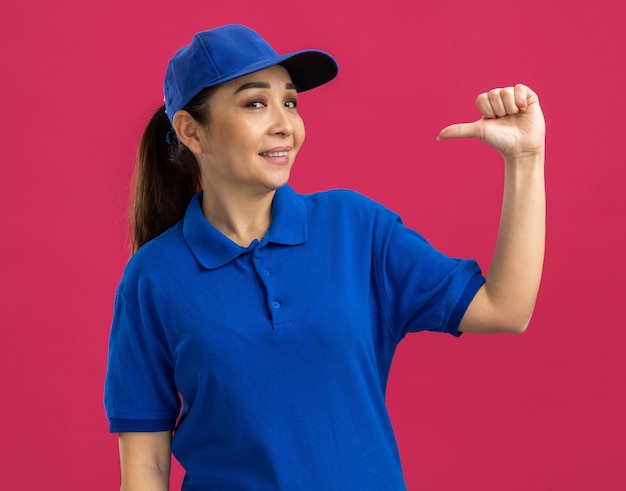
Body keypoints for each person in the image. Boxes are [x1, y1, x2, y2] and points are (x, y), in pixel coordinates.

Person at [104, 24, 545, 491]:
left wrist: (526, 159)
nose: (284, 124)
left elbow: (506, 308)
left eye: (290, 102)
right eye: (255, 103)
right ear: (191, 132)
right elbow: (146, 467)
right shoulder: (152, 278)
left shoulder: (356, 229)